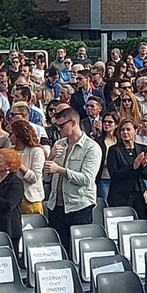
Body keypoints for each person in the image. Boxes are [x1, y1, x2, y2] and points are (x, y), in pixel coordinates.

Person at [44, 108, 102, 256]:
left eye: (61, 126)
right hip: (56, 207)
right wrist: (49, 159)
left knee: (78, 252)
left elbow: (87, 179)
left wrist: (61, 170)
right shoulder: (59, 144)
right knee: (57, 250)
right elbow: (46, 177)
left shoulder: (92, 148)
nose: (59, 129)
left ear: (74, 123)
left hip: (79, 207)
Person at [107, 118, 147, 219]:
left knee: (141, 226)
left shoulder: (143, 149)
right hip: (120, 196)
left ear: (136, 131)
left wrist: (143, 166)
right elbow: (114, 174)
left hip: (139, 196)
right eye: (122, 130)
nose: (125, 132)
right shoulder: (114, 150)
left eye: (128, 129)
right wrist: (134, 167)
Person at [7, 120, 45, 214]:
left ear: (19, 135)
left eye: (11, 134)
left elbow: (35, 177)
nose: (8, 137)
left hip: (30, 199)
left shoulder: (37, 151)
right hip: (13, 198)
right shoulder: (10, 151)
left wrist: (18, 164)